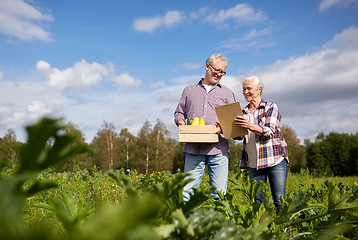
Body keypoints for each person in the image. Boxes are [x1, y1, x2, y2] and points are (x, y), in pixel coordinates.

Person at [174, 54, 236, 202]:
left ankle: (216, 224)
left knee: (219, 195)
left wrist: (223, 126)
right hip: (193, 149)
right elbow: (179, 112)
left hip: (219, 150)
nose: (219, 74)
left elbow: (233, 123)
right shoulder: (189, 90)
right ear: (207, 66)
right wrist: (180, 121)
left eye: (222, 72)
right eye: (217, 70)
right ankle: (184, 224)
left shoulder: (227, 93)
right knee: (186, 193)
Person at [234, 75, 288, 214]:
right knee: (258, 201)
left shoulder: (270, 106)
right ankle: (262, 230)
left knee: (279, 200)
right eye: (244, 89)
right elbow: (240, 136)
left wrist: (250, 126)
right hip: (254, 162)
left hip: (274, 159)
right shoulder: (243, 112)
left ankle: (284, 231)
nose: (245, 92)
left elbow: (270, 131)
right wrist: (230, 129)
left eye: (249, 88)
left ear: (259, 89)